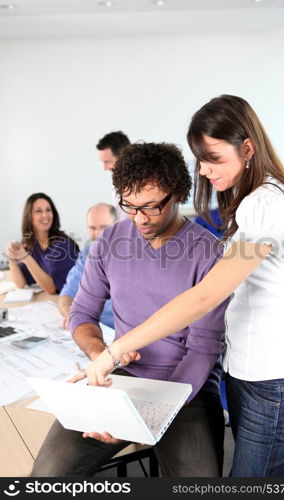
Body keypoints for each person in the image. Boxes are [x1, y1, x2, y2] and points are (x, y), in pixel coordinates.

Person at [83, 95, 284, 478]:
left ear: (247, 148)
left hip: (272, 377)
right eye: (200, 160)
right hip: (247, 369)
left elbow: (206, 296)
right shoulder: (253, 200)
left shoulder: (265, 204)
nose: (205, 171)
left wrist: (117, 349)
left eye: (214, 158)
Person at [31, 142, 229, 477]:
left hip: (187, 387)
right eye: (129, 206)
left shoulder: (208, 252)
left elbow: (202, 351)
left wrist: (147, 414)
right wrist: (100, 356)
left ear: (178, 194)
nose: (139, 218)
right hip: (122, 378)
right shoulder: (109, 242)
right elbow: (81, 316)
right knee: (46, 476)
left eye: (151, 207)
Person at [58, 202, 117, 330]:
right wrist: (71, 315)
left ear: (117, 224)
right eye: (92, 228)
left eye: (103, 227)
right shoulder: (87, 253)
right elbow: (67, 294)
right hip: (92, 328)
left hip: (122, 335)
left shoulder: (134, 256)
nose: (97, 234)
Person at [6, 193, 79, 294]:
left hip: (71, 301)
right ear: (29, 216)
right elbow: (20, 284)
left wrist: (26, 258)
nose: (45, 215)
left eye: (48, 210)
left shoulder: (62, 245)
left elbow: (51, 289)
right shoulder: (28, 242)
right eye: (38, 211)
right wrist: (12, 260)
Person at [96, 130, 130, 221]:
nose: (105, 168)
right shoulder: (115, 180)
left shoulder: (142, 183)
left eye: (107, 162)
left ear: (123, 157)